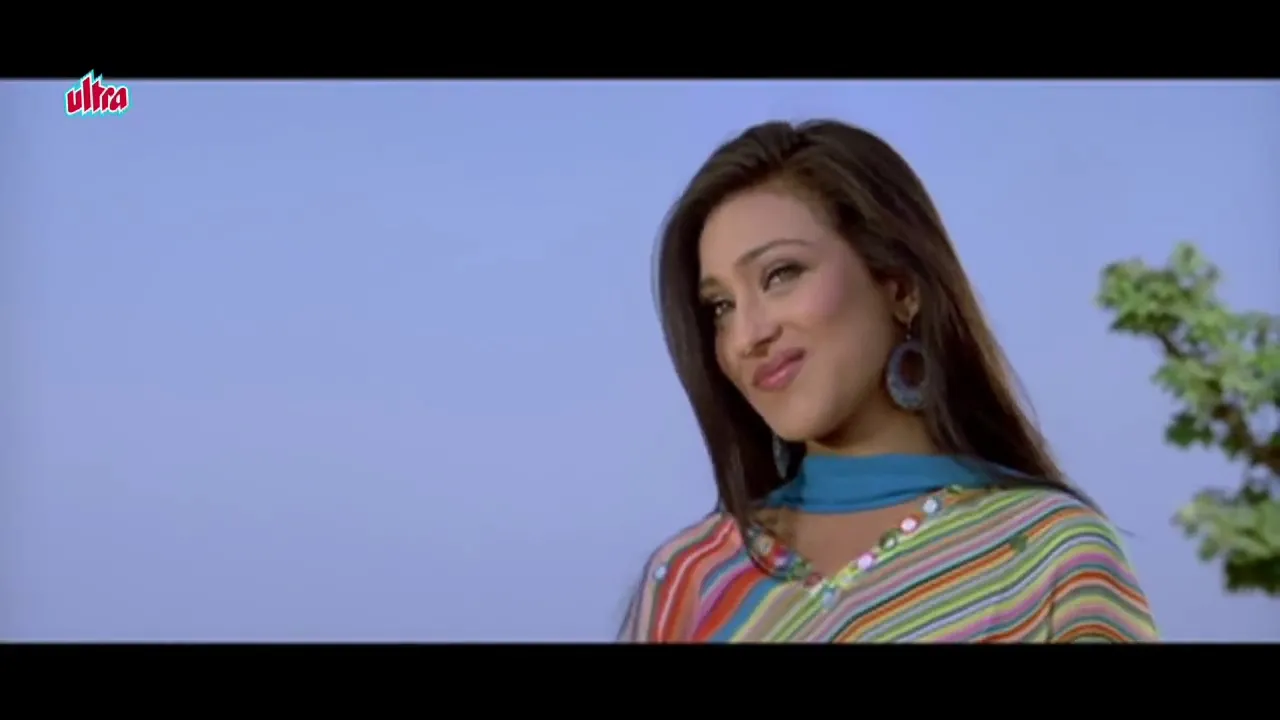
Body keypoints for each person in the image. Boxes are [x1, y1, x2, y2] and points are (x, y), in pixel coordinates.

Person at [618, 119, 1159, 643]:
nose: (746, 336)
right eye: (720, 307)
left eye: (781, 274)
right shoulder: (692, 581)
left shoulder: (1049, 557)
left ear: (900, 287)